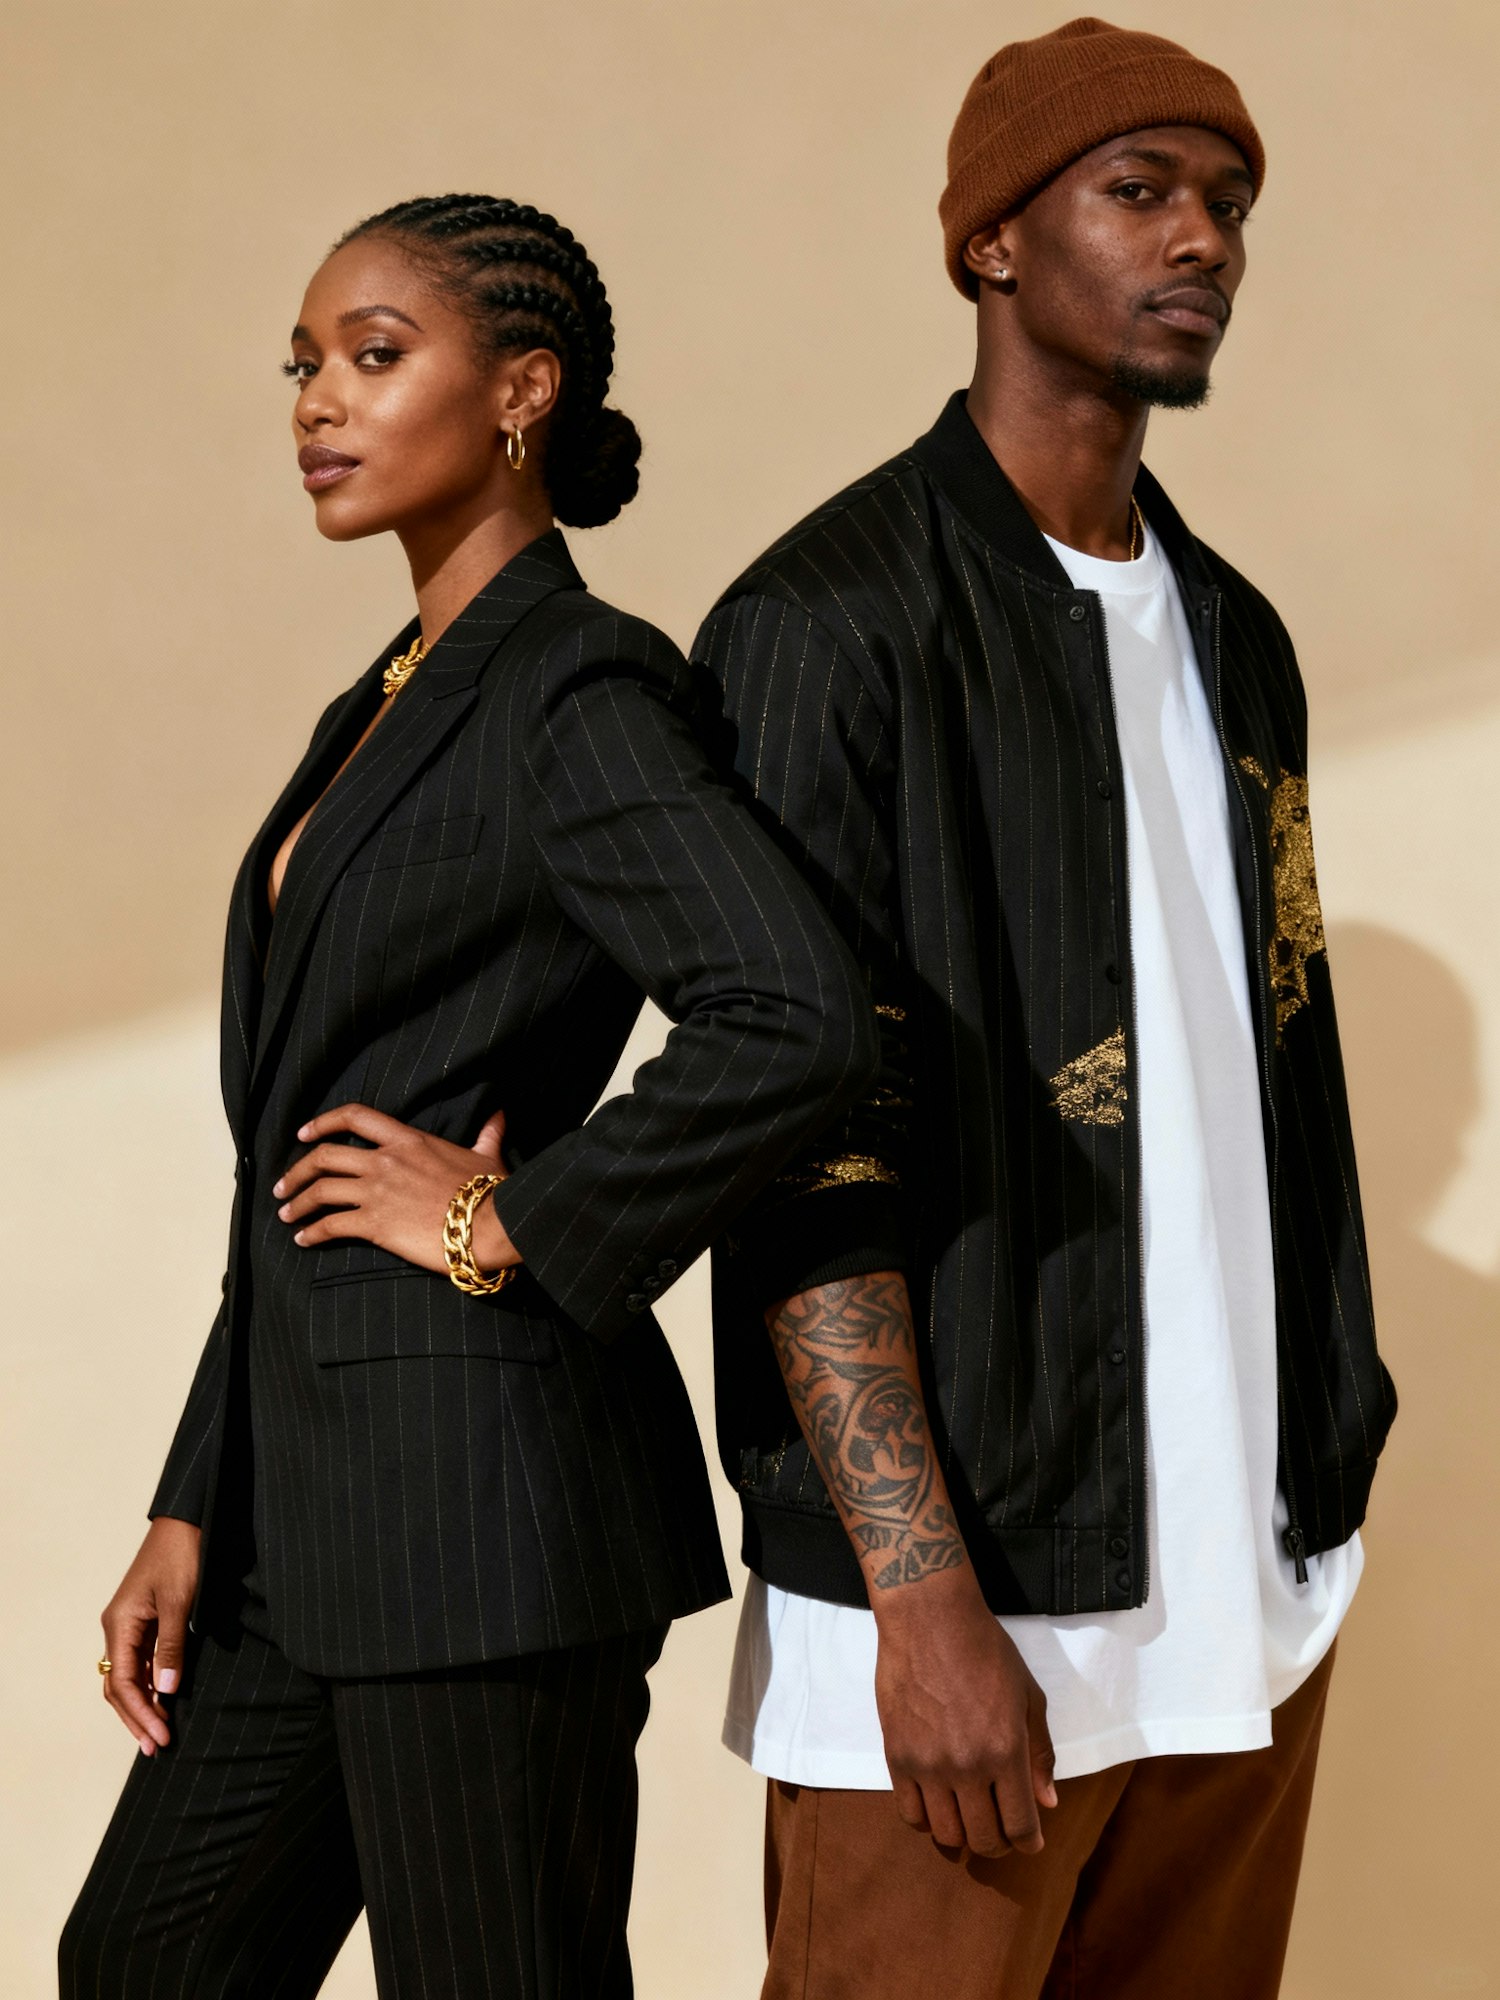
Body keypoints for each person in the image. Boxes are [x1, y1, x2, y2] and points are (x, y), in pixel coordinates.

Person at [60, 193, 877, 2000]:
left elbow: (794, 1013)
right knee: (141, 1964)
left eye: (372, 355)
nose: (316, 402)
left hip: (483, 1513)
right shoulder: (389, 697)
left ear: (522, 388)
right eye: (302, 365)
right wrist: (197, 1499)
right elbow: (299, 1160)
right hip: (298, 1511)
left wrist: (521, 1217)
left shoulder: (577, 688)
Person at [696, 20, 1397, 1999]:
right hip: (962, 1632)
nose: (1205, 240)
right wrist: (919, 1602)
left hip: (1248, 1607)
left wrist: (1316, 1520)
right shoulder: (824, 628)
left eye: (1229, 203)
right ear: (991, 241)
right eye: (1140, 191)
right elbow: (788, 1140)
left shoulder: (1235, 634)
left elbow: (1272, 1076)